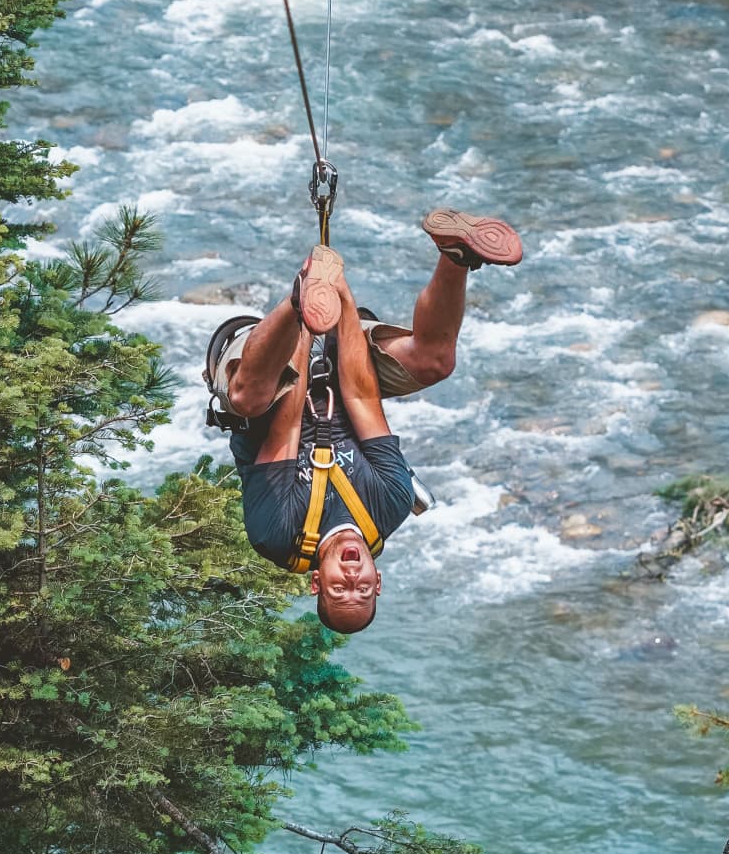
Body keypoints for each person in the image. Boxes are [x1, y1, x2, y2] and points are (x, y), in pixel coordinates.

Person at [205, 209, 524, 633]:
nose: (352, 577)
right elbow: (361, 397)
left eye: (339, 588)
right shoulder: (390, 504)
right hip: (344, 376)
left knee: (249, 399)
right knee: (434, 361)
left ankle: (296, 300)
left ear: (317, 582)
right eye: (363, 588)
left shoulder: (277, 534)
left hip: (267, 372)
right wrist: (339, 293)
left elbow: (286, 428)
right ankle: (457, 255)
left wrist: (306, 312)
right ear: (378, 581)